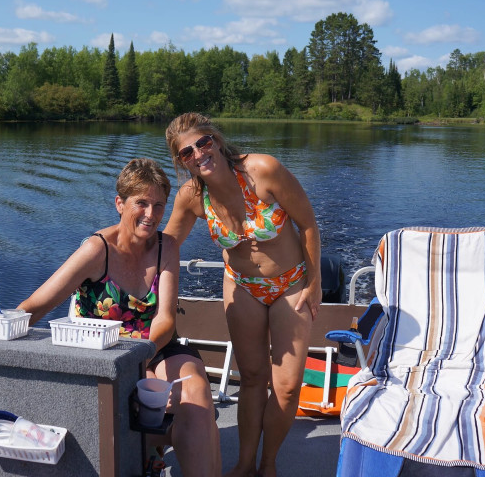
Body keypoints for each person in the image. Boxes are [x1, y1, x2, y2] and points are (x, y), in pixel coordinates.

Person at [18, 158, 220, 476]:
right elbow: (37, 305)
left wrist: (137, 362)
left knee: (195, 394)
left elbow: (165, 320)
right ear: (120, 203)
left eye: (158, 205)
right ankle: (151, 448)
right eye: (141, 203)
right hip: (100, 355)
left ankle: (171, 452)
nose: (151, 215)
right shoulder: (97, 250)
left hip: (152, 348)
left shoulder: (166, 246)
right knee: (170, 411)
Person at [163, 113, 322, 477]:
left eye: (203, 142)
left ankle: (268, 464)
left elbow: (308, 223)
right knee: (252, 378)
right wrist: (116, 243)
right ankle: (246, 465)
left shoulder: (263, 170)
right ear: (181, 161)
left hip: (291, 284)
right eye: (187, 152)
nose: (199, 153)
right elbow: (166, 245)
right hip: (242, 287)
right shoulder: (192, 196)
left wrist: (314, 284)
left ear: (216, 140)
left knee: (286, 387)